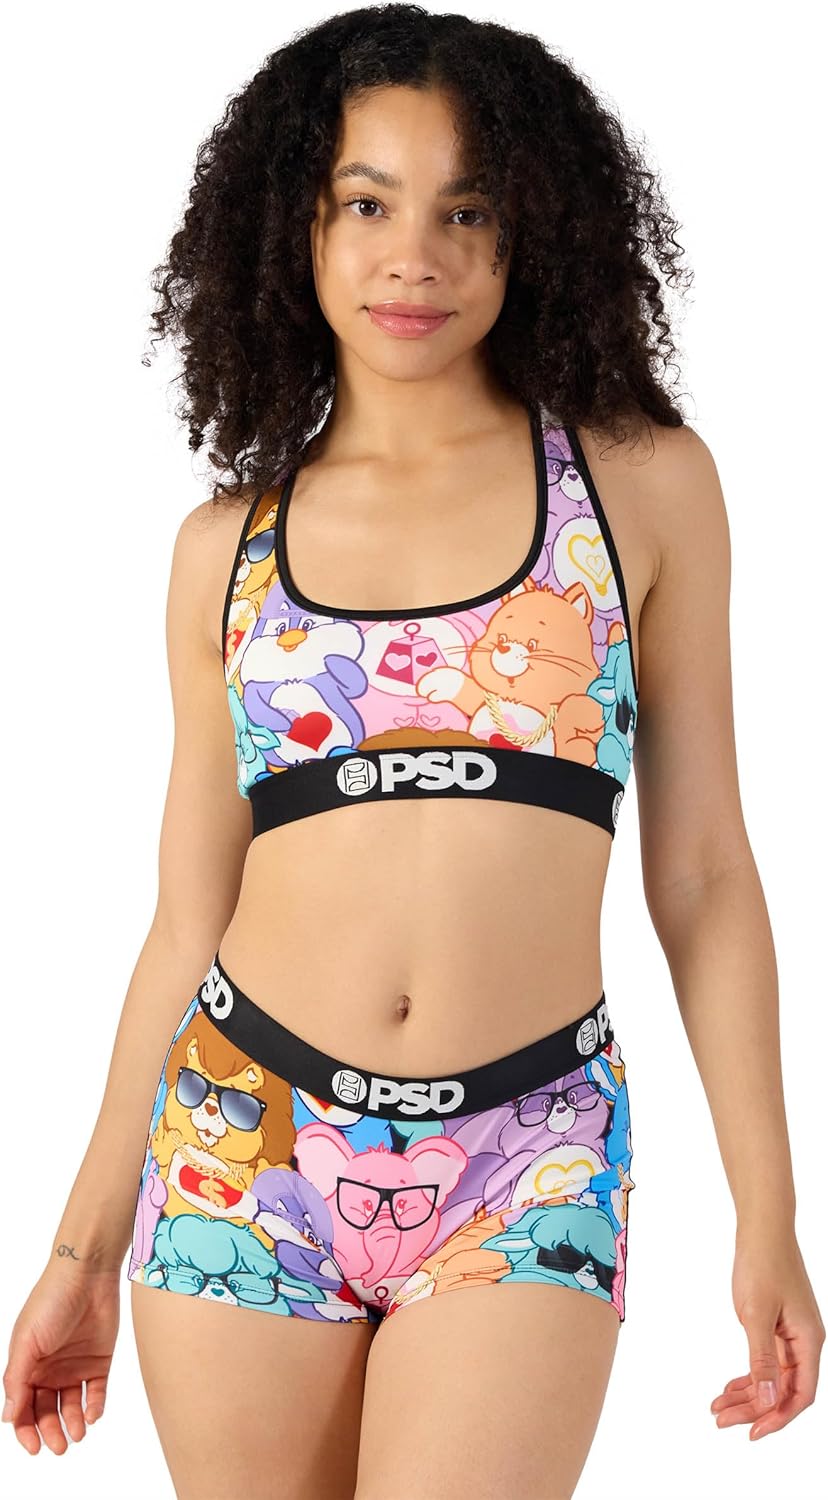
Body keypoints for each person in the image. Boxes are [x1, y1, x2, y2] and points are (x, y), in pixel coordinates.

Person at [2, 5, 824, 1497]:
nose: (416, 258)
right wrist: (81, 1247)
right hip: (241, 1142)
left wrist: (768, 1211)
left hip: (530, 1152)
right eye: (368, 205)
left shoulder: (641, 487)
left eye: (468, 211)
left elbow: (704, 875)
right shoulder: (224, 550)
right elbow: (186, 919)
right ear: (297, 231)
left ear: (532, 231)